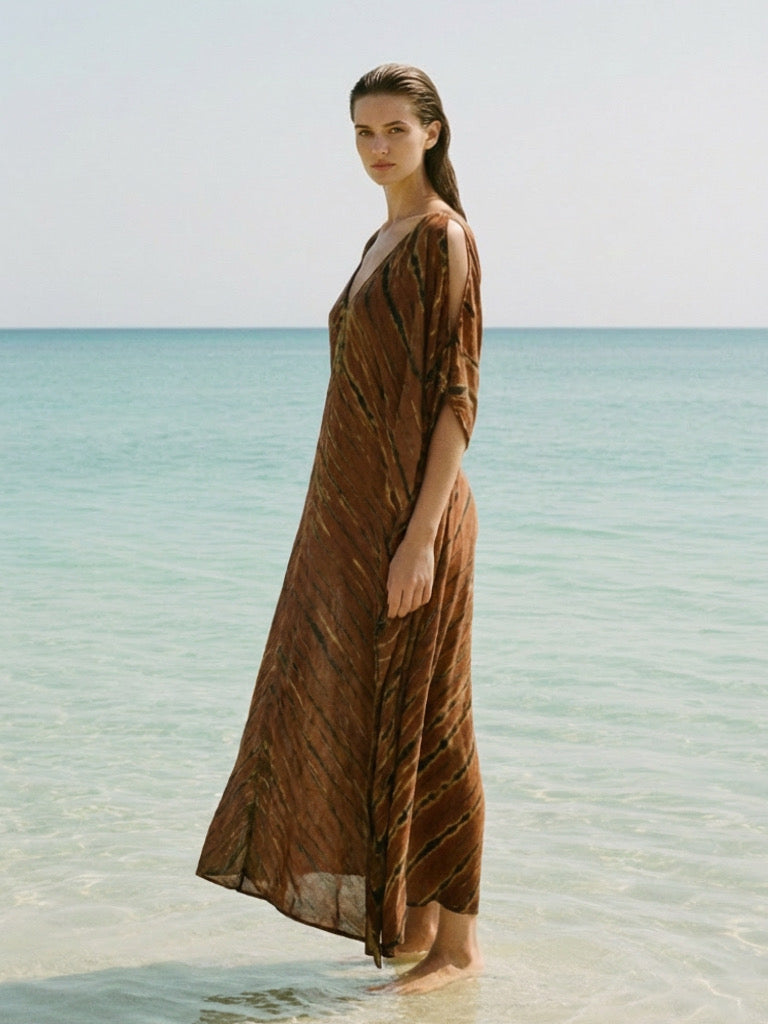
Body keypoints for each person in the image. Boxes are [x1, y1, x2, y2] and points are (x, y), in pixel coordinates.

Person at [197, 63, 484, 995]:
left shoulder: (444, 240)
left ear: (433, 134)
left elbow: (456, 400)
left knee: (435, 722)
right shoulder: (379, 235)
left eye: (396, 129)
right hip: (354, 519)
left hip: (415, 517)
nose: (378, 148)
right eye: (364, 132)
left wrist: (418, 539)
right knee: (358, 707)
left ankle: (459, 947)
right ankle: (410, 916)